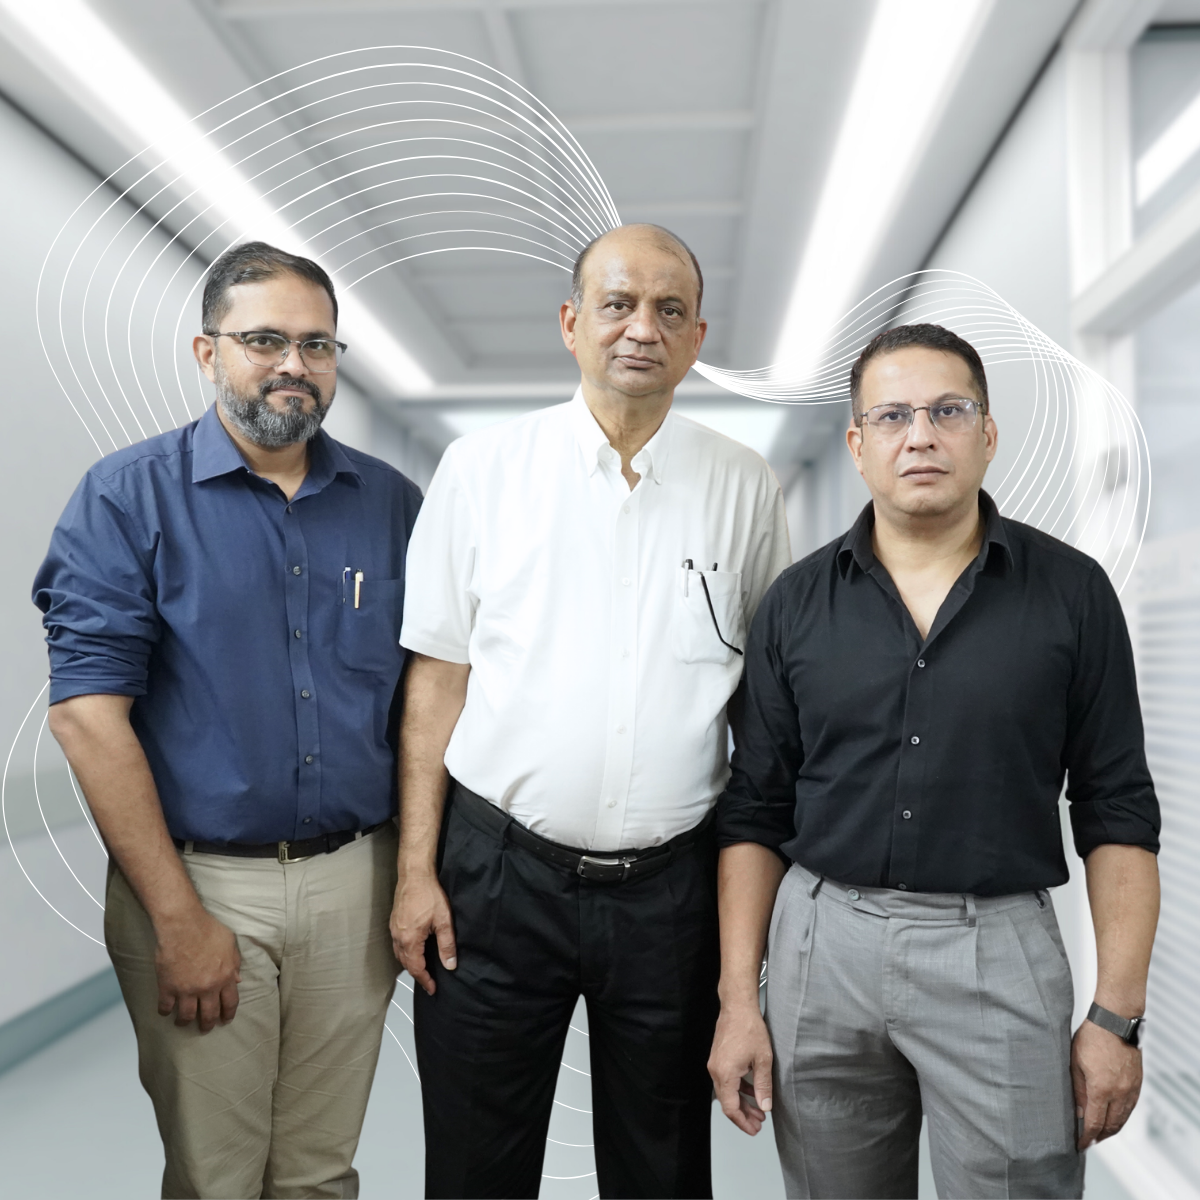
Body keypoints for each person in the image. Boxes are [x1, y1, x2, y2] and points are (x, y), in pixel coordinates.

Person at [707, 323, 1161, 1200]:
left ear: (987, 435)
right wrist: (738, 1000)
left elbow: (1118, 810)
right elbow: (755, 809)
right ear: (858, 445)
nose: (921, 434)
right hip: (819, 948)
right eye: (892, 416)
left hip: (994, 949)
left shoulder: (1071, 595)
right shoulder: (796, 604)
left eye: (949, 410)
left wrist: (1116, 1017)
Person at [392, 223, 791, 1199]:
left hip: (671, 894)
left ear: (698, 338)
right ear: (573, 325)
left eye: (667, 310)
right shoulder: (483, 473)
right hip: (494, 880)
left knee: (661, 1171)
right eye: (616, 304)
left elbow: (763, 704)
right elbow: (436, 683)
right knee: (478, 1167)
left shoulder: (742, 483)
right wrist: (414, 873)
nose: (640, 328)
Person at [34, 242, 421, 1199]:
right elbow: (88, 718)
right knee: (217, 1177)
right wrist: (178, 917)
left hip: (354, 883)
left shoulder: (391, 505)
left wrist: (414, 873)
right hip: (202, 885)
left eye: (318, 343)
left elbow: (426, 701)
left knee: (322, 1172)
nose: (295, 363)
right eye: (264, 340)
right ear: (208, 353)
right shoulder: (128, 498)